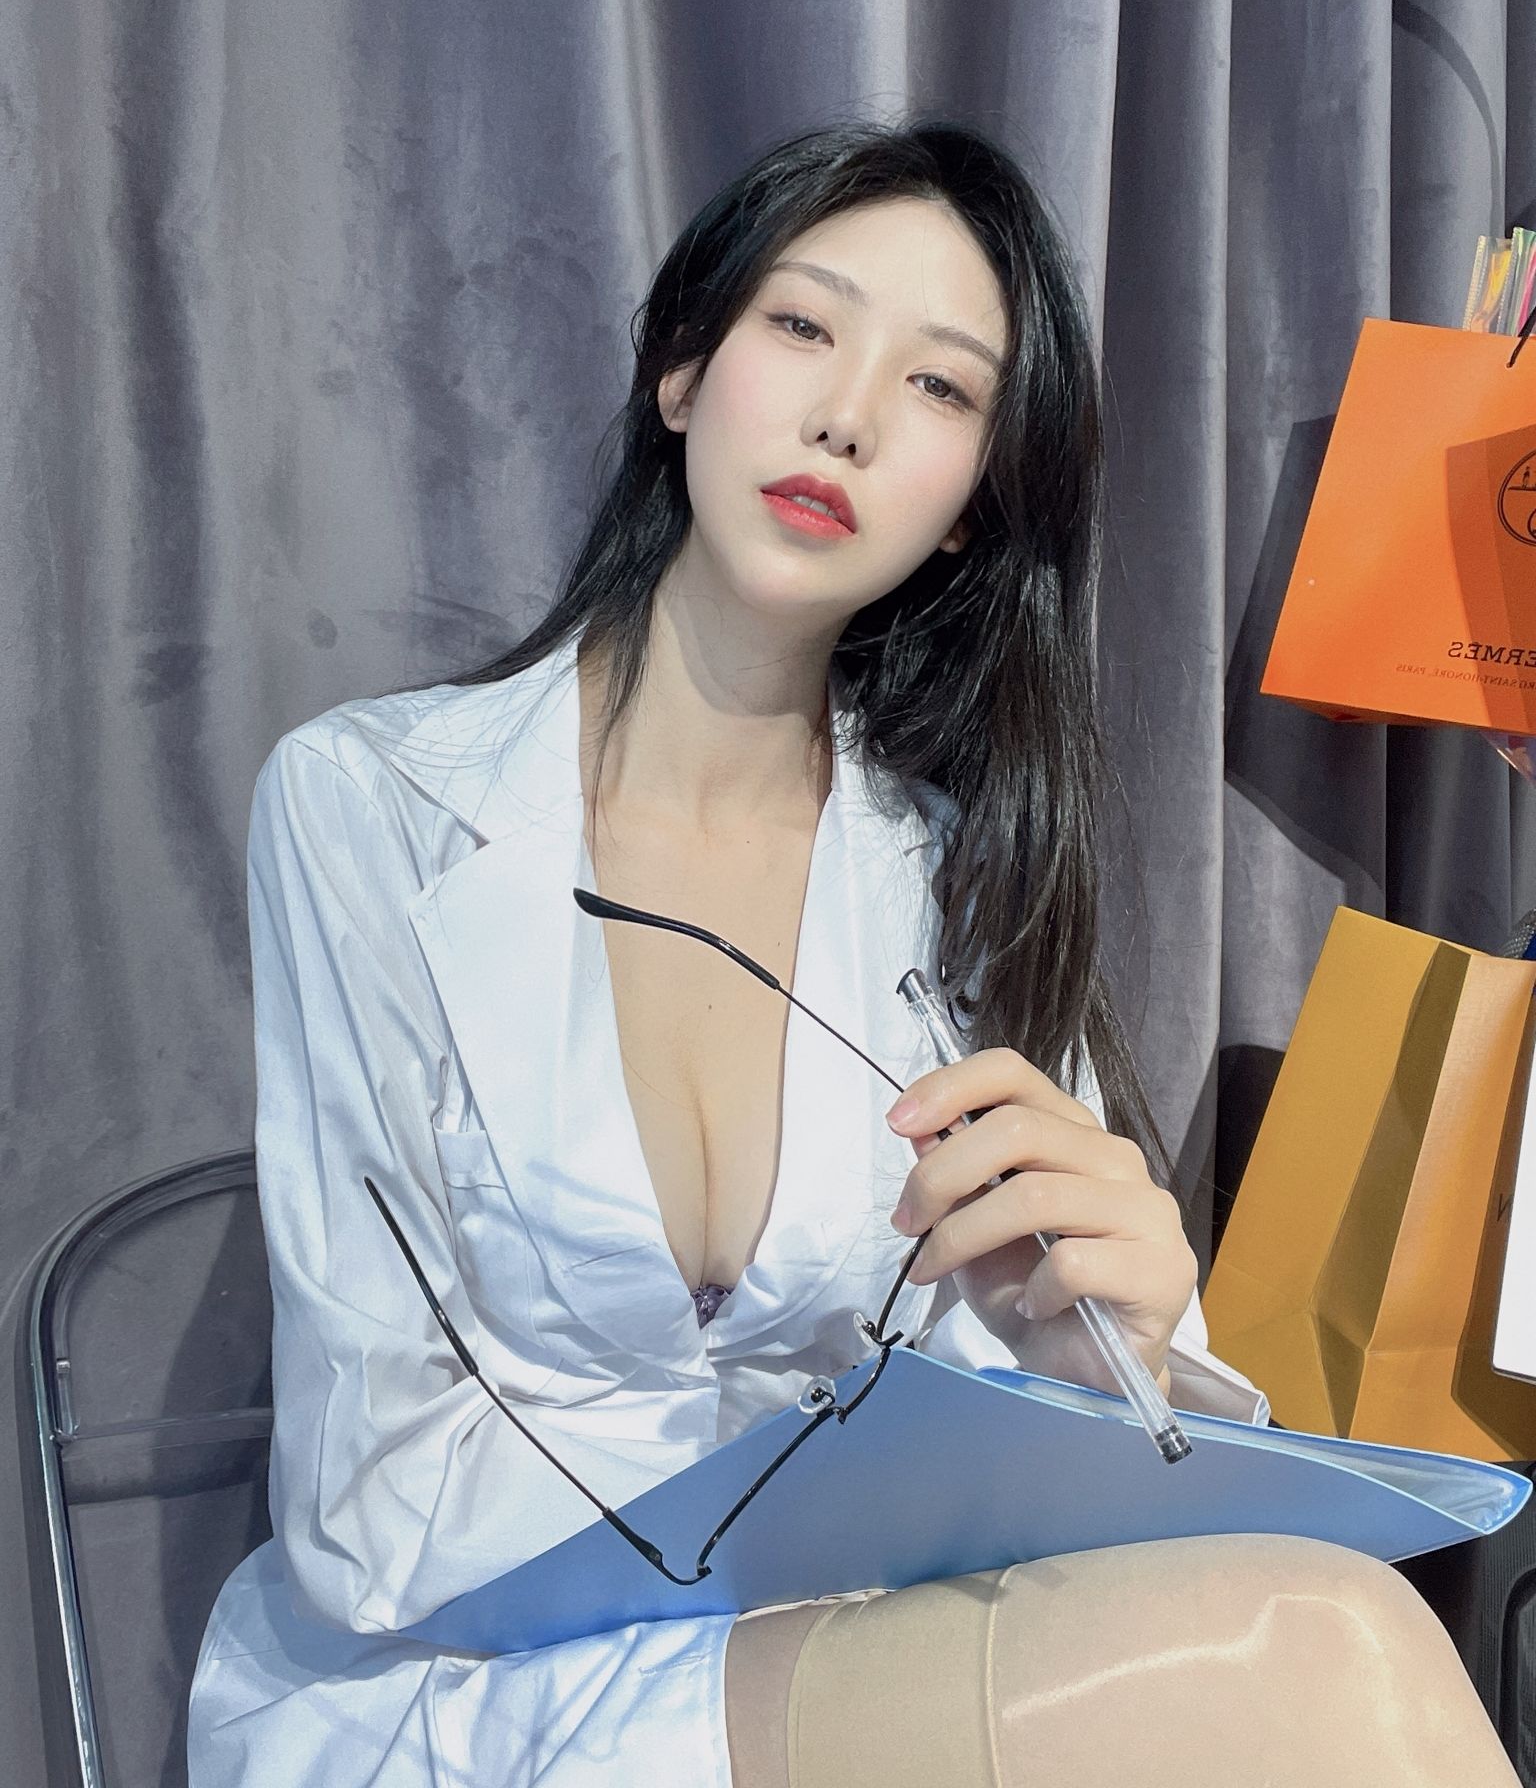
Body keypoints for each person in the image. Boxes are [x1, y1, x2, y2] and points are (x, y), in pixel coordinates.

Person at [187, 118, 1519, 1787]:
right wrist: (837, 1487)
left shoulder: (958, 874)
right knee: (1323, 1652)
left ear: (969, 508)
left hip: (823, 1655)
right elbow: (368, 1504)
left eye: (942, 388)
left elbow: (1039, 1424)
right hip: (446, 1685)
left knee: (1329, 1631)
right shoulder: (371, 805)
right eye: (805, 326)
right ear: (684, 368)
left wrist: (1119, 1350)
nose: (849, 417)